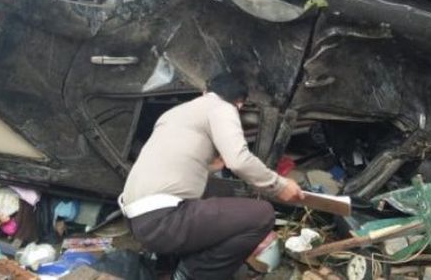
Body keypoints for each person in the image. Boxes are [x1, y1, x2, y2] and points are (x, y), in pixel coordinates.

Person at [119, 71, 304, 279]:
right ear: (240, 104)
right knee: (262, 214)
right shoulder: (223, 108)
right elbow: (239, 160)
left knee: (221, 191)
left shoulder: (175, 112)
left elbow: (172, 163)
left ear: (205, 91)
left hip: (135, 219)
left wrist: (208, 167)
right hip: (161, 222)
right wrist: (279, 185)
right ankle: (190, 274)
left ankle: (168, 265)